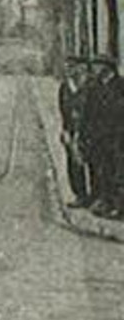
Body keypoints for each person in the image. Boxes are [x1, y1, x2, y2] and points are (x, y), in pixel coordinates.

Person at [81, 56, 123, 219]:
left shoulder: (121, 86)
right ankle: (106, 202)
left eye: (98, 66)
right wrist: (85, 134)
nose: (95, 69)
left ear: (108, 68)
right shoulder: (95, 87)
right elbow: (87, 113)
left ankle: (119, 207)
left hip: (118, 138)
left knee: (118, 173)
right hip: (100, 138)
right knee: (102, 171)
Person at [57, 54, 93, 209]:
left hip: (89, 129)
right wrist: (65, 129)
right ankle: (80, 194)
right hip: (72, 129)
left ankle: (96, 195)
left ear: (81, 67)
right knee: (73, 162)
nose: (69, 70)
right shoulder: (65, 86)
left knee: (93, 163)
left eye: (72, 67)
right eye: (67, 68)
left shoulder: (90, 84)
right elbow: (63, 109)